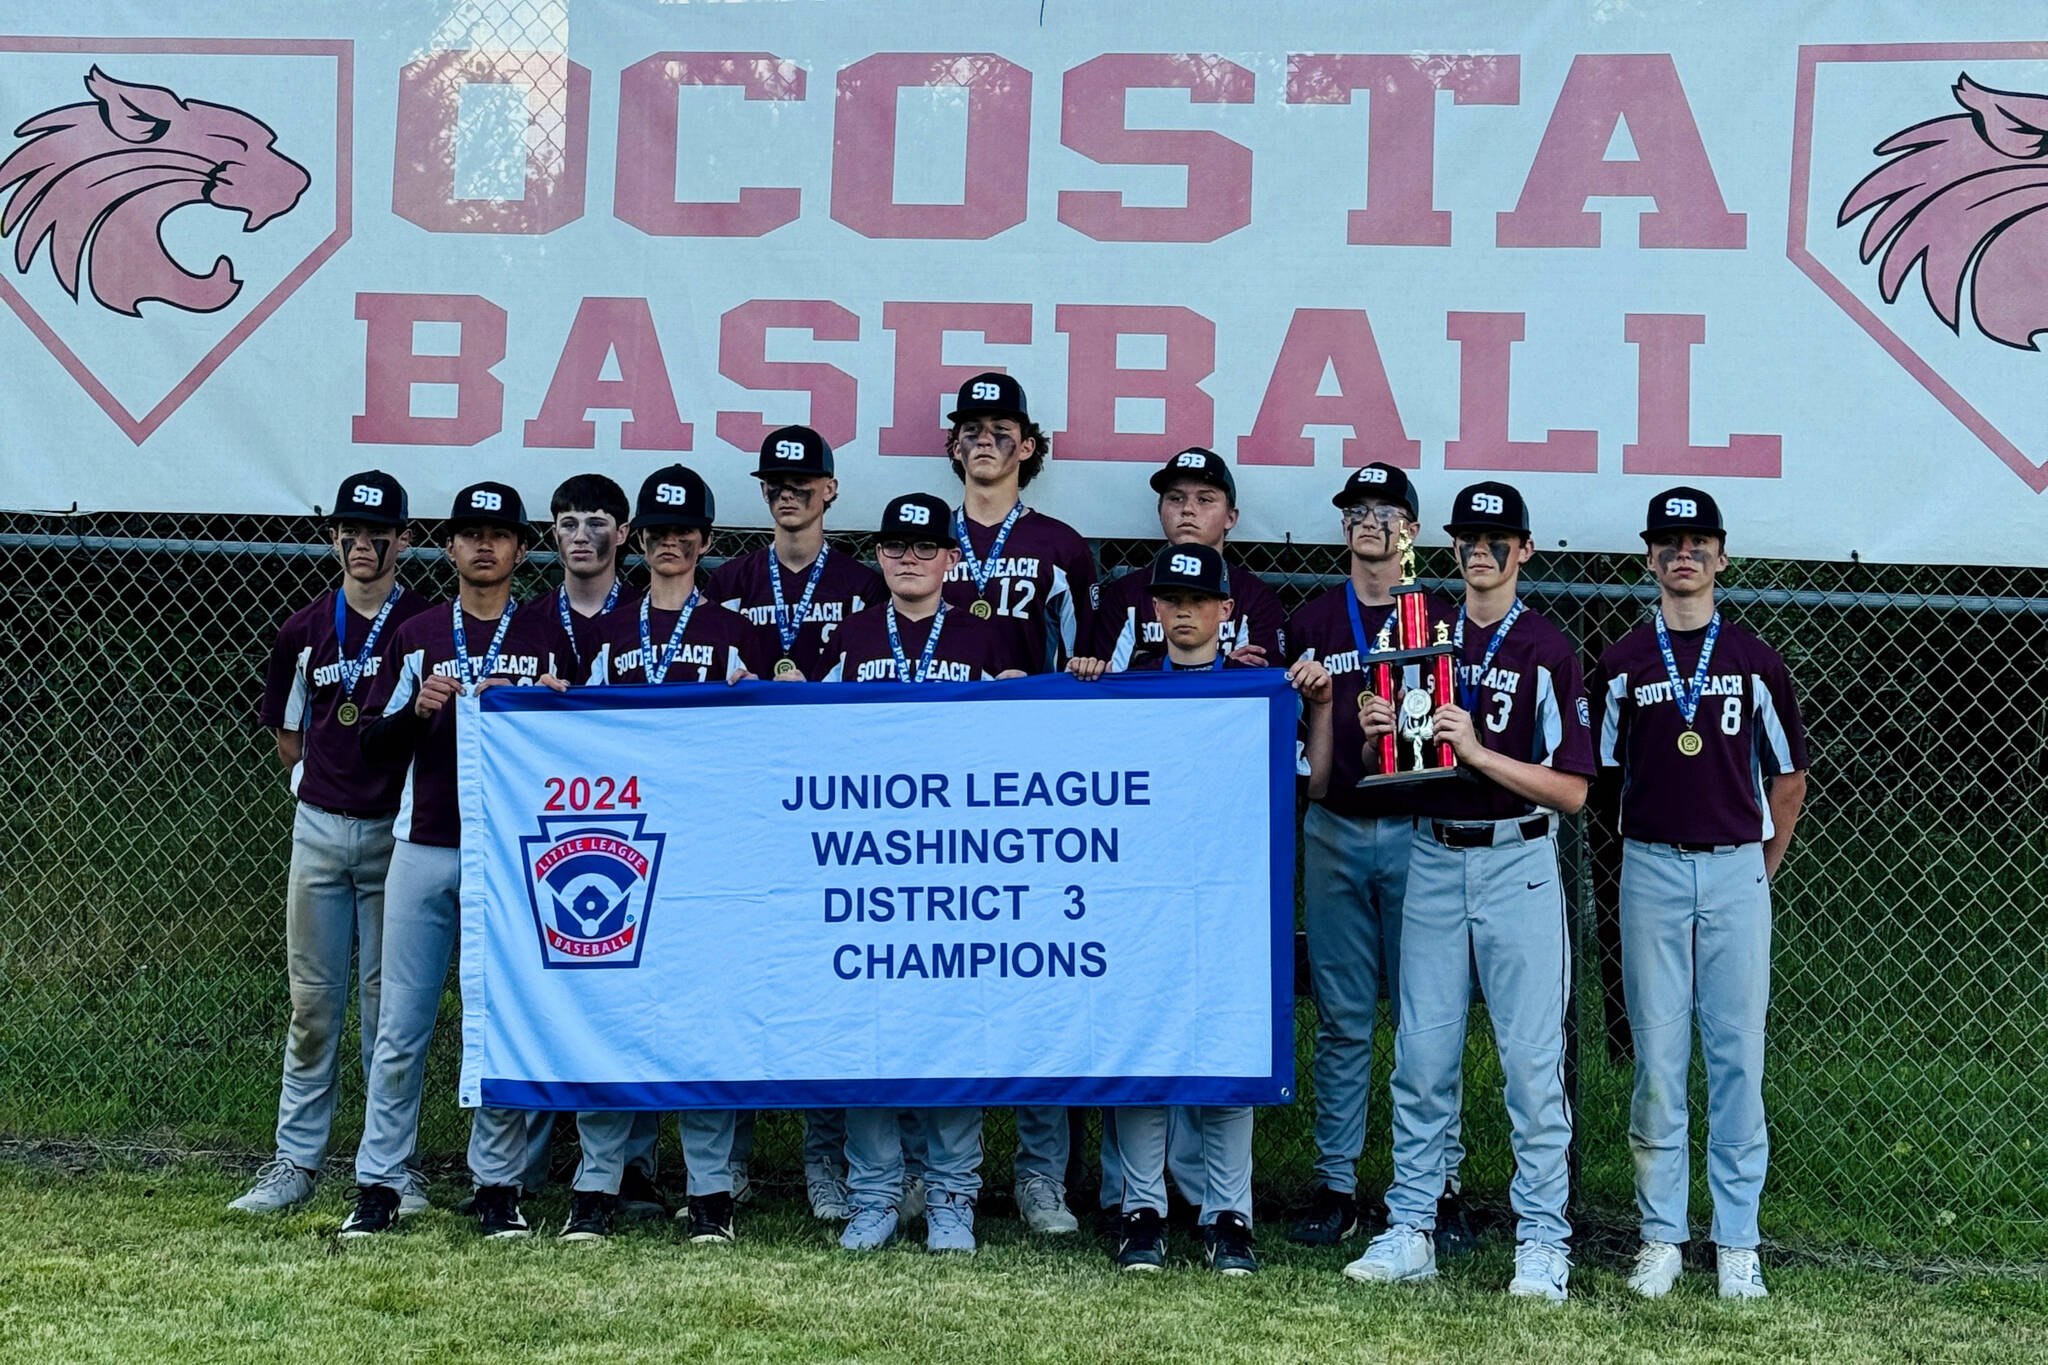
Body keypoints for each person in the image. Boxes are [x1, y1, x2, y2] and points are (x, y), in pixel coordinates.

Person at [1344, 481, 1594, 1302]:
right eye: (1468, 538)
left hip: (1516, 858)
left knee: (1530, 1060)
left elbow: (1572, 790)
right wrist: (1383, 731)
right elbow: (1392, 753)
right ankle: (1412, 1222)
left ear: (1525, 549)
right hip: (1432, 854)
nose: (1480, 551)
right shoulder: (1418, 630)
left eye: (1497, 539)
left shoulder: (1547, 648)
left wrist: (1480, 754)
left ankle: (1543, 1239)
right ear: (1450, 548)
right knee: (1421, 1053)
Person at [1090, 543, 1332, 1276]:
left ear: (1227, 609)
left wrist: (1318, 707)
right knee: (1143, 1048)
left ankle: (1229, 1215)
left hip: (1231, 901)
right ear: (1154, 609)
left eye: (1198, 600)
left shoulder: (1256, 691)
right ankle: (1143, 1210)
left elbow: (1314, 784)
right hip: (1142, 902)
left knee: (1227, 1049)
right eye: (1170, 600)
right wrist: (1080, 681)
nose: (1184, 612)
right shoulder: (1122, 690)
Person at [1594, 487, 1809, 1300]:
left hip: (1734, 867)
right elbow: (1601, 780)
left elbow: (1789, 781)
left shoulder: (1756, 660)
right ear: (1650, 557)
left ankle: (1738, 1240)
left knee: (1737, 1058)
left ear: (1721, 555)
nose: (1683, 554)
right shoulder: (1622, 662)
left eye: (1698, 541)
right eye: (1668, 541)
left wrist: (1762, 866)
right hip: (1649, 864)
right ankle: (1660, 1235)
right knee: (1657, 1058)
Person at [342, 482, 572, 1240]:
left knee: (500, 1020)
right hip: (424, 842)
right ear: (447, 547)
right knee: (401, 1024)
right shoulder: (416, 631)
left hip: (511, 856)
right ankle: (379, 1182)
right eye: (468, 533)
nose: (482, 545)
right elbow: (369, 746)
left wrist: (551, 702)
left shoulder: (546, 629)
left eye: (497, 534)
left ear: (520, 548)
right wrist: (416, 711)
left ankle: (496, 1185)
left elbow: (583, 740)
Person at [574, 464, 775, 1245]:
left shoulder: (733, 633)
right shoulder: (608, 633)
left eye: (682, 532)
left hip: (708, 855)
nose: (668, 543)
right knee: (608, 1008)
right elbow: (573, 737)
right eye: (656, 532)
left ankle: (711, 1190)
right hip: (623, 852)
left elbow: (760, 738)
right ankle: (596, 1181)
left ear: (706, 541)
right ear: (640, 540)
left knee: (705, 1015)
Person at [234, 472, 434, 1215]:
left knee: (391, 1010)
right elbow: (288, 733)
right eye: (348, 528)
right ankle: (295, 1161)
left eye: (377, 530)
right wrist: (314, 786)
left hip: (399, 833)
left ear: (404, 539)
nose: (360, 542)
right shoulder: (303, 628)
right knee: (313, 1004)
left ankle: (391, 1169)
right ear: (333, 537)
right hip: (319, 827)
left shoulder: (425, 624)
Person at [1281, 464, 1469, 1250]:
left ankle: (1441, 1183)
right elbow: (1302, 754)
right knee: (1344, 1017)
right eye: (1356, 511)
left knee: (1430, 1018)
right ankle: (1336, 1182)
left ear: (1411, 532)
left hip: (1422, 829)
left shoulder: (1441, 615)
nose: (1369, 523)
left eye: (1386, 512)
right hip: (1336, 826)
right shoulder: (1316, 617)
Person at [823, 492, 1016, 1255]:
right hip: (868, 854)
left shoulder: (986, 634)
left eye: (924, 546)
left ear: (950, 559)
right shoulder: (849, 634)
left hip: (957, 861)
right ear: (879, 556)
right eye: (895, 545)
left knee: (952, 1031)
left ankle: (951, 1197)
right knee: (870, 1027)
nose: (908, 557)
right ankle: (873, 1195)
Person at [703, 424, 885, 1221]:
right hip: (744, 800)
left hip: (831, 803)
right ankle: (731, 1160)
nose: (787, 491)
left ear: (830, 490)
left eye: (802, 481)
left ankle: (826, 1161)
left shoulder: (862, 580)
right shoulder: (726, 578)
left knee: (827, 982)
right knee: (737, 973)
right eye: (774, 481)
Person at [938, 370, 1098, 1234]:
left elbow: (1086, 669)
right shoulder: (920, 534)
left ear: (1029, 445)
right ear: (954, 444)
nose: (986, 438)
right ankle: (939, 1169)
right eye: (972, 426)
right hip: (930, 791)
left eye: (1003, 426)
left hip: (1030, 788)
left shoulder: (1063, 546)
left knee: (1037, 979)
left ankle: (1042, 1175)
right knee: (940, 977)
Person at [522, 472, 656, 1219]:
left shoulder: (646, 617)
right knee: (547, 984)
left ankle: (633, 1166)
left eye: (597, 520)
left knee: (625, 990)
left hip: (628, 820)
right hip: (550, 821)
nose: (582, 533)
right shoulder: (527, 619)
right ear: (552, 535)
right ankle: (530, 1161)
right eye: (568, 520)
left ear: (624, 533)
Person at [1079, 446, 1285, 671]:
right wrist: (1221, 665)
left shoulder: (1256, 596)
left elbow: (1261, 686)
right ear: (1160, 511)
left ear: (1230, 517)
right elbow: (1110, 681)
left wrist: (1141, 661)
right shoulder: (1125, 593)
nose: (1188, 509)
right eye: (1176, 498)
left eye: (1204, 500)